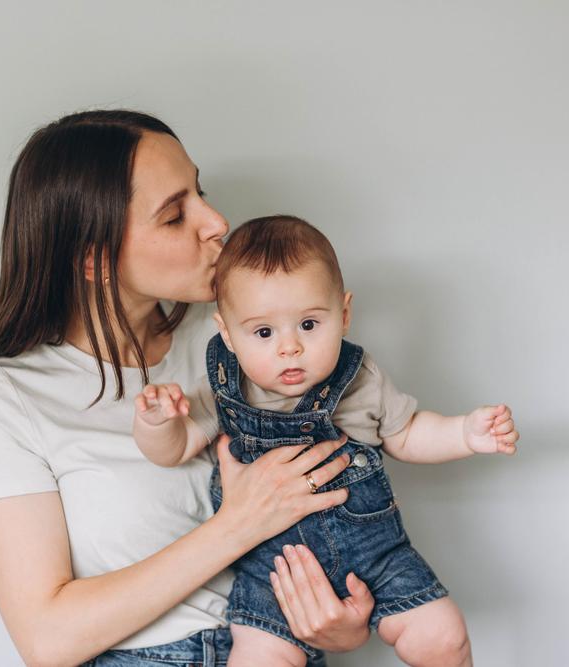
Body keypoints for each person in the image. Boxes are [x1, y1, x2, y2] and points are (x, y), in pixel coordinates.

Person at [0, 111, 377, 667]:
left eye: (201, 192)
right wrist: (238, 524)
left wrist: (342, 624)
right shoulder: (6, 396)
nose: (217, 222)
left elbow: (341, 492)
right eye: (174, 216)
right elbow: (47, 638)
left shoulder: (243, 345)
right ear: (93, 259)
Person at [132, 216, 520, 666]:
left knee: (443, 636)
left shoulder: (359, 380)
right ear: (228, 335)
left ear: (344, 314)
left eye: (310, 324)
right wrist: (158, 424)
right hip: (272, 576)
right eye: (263, 332)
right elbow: (173, 450)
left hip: (377, 560)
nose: (289, 347)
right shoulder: (223, 389)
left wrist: (465, 433)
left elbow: (408, 433)